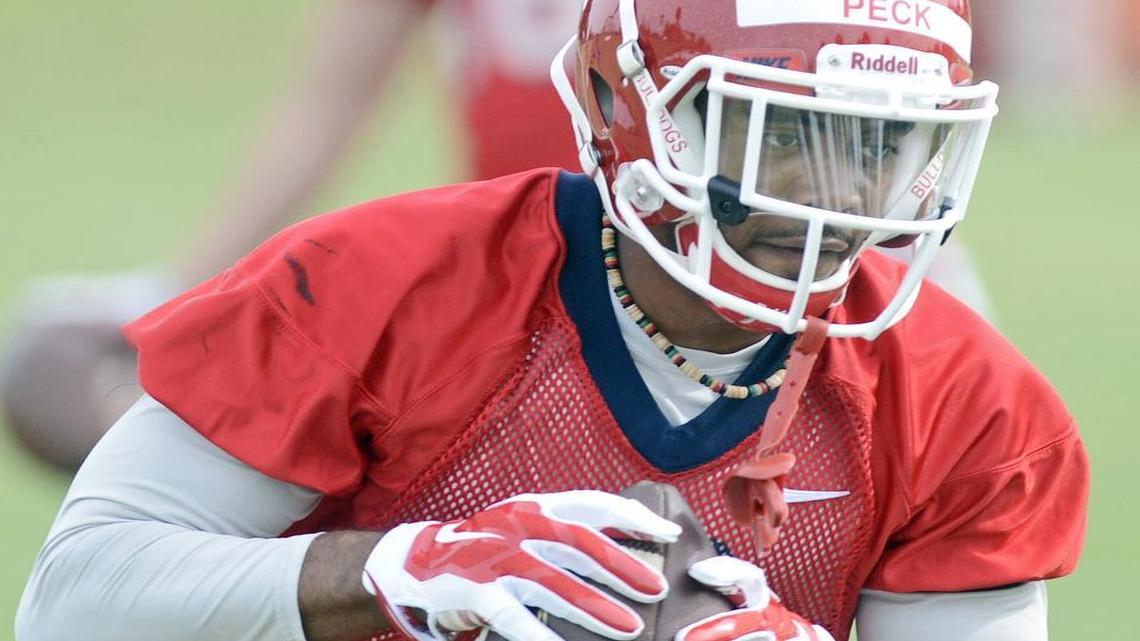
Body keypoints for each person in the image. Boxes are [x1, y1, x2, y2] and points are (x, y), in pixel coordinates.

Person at [16, 1, 1089, 640]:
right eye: (781, 133)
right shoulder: (379, 288)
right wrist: (403, 572)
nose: (839, 198)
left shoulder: (965, 400)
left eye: (879, 146)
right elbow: (73, 598)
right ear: (633, 109)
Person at [1, 0, 997, 473]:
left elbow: (874, 107)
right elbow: (330, 102)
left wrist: (911, 289)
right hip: (536, 299)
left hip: (791, 265)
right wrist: (182, 294)